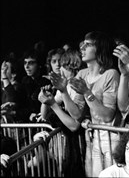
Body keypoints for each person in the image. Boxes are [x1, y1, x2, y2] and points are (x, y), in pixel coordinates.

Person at [49, 31, 120, 177]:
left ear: (100, 48)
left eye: (87, 45)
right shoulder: (82, 74)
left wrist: (87, 92)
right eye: (83, 44)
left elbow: (107, 116)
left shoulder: (111, 74)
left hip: (111, 138)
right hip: (93, 138)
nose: (82, 48)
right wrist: (63, 91)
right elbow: (77, 115)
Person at [38, 49, 86, 177]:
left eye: (63, 65)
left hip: (80, 141)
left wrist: (52, 104)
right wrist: (45, 99)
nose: (59, 68)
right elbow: (44, 115)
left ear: (71, 66)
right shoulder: (65, 86)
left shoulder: (77, 84)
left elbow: (74, 125)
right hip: (69, 142)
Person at [21, 49, 51, 122]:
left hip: (43, 120)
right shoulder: (24, 81)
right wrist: (28, 114)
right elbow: (22, 103)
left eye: (30, 63)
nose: (26, 66)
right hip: (29, 121)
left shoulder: (46, 81)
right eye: (25, 63)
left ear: (39, 65)